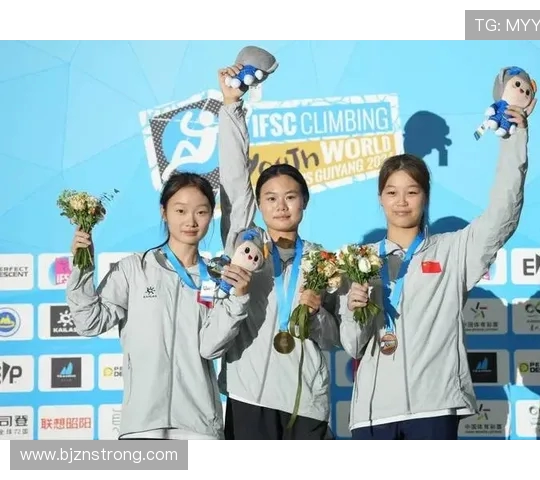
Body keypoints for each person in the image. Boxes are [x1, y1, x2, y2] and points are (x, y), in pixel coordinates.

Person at [339, 100, 536, 440]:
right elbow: (353, 346)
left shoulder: (454, 250)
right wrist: (356, 311)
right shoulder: (360, 261)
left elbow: (503, 213)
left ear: (426, 196)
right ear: (380, 198)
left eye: (412, 192)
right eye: (392, 192)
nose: (402, 202)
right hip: (371, 415)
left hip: (434, 408)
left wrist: (513, 139)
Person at [198, 65, 341, 440]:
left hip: (306, 401)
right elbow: (234, 180)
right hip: (251, 396)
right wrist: (231, 107)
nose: (281, 206)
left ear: (304, 202)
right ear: (259, 205)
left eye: (290, 197)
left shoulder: (322, 262)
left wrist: (317, 314)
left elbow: (334, 337)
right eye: (271, 198)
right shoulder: (246, 245)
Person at [66, 171, 253, 440]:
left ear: (211, 215)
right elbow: (89, 322)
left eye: (201, 212)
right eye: (180, 210)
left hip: (199, 425)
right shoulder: (135, 269)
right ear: (164, 212)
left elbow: (210, 347)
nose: (190, 221)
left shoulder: (217, 278)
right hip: (142, 424)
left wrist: (238, 299)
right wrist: (82, 267)